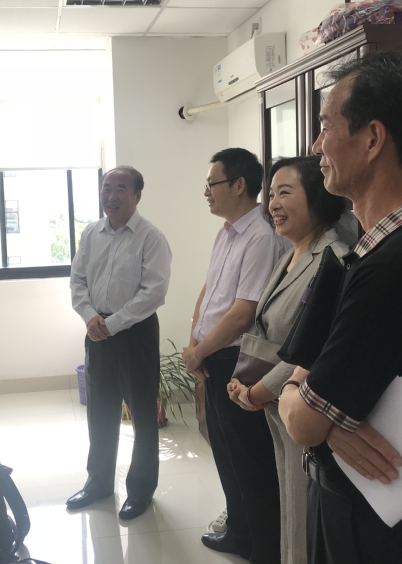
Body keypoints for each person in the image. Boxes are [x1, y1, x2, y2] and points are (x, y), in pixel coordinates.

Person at [278, 51, 402, 564]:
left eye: (325, 127)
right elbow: (309, 385)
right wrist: (325, 419)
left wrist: (310, 409)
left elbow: (301, 420)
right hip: (365, 511)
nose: (316, 146)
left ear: (373, 139)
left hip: (375, 529)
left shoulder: (397, 263)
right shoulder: (383, 248)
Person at [227, 155, 348, 564]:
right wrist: (245, 382)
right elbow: (271, 332)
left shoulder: (332, 258)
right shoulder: (292, 253)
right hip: (276, 405)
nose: (273, 204)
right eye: (271, 194)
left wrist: (261, 389)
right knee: (288, 505)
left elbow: (314, 344)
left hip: (303, 406)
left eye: (285, 192)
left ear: (317, 195)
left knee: (302, 510)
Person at [182, 148, 288, 563]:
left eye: (212, 183)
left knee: (250, 460)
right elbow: (209, 292)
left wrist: (200, 352)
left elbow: (244, 313)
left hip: (237, 360)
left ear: (239, 185)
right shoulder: (227, 232)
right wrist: (194, 344)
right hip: (212, 355)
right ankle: (240, 534)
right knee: (227, 455)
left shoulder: (261, 236)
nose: (206, 192)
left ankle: (264, 548)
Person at [67, 166, 172, 520]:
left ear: (137, 196)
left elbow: (153, 293)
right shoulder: (90, 234)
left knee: (142, 414)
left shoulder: (151, 237)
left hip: (135, 334)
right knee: (99, 411)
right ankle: (98, 482)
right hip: (96, 331)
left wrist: (111, 324)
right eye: (106, 188)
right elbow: (77, 281)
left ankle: (140, 491)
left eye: (120, 189)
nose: (111, 196)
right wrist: (90, 317)